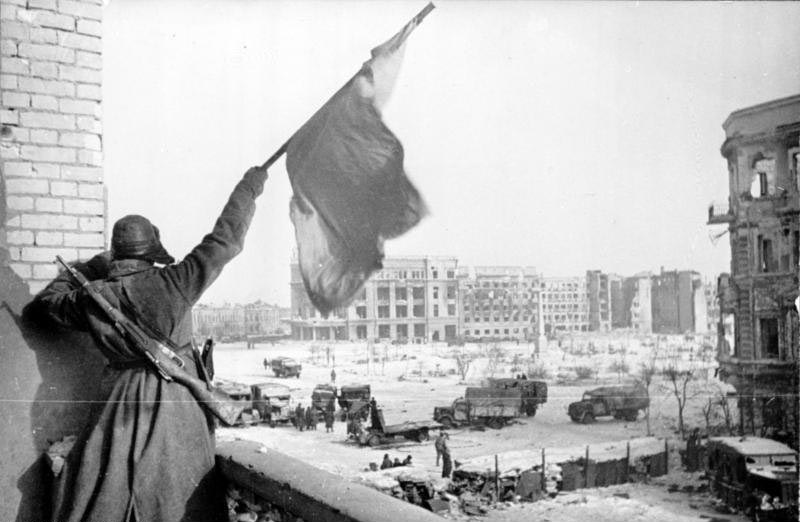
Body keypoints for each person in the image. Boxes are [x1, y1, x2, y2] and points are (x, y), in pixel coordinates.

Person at [24, 165, 270, 522]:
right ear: (152, 249)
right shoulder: (176, 281)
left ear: (116, 253)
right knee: (179, 498)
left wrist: (95, 267)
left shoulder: (92, 297)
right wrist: (248, 188)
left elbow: (49, 302)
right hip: (176, 404)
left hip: (117, 404)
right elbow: (225, 240)